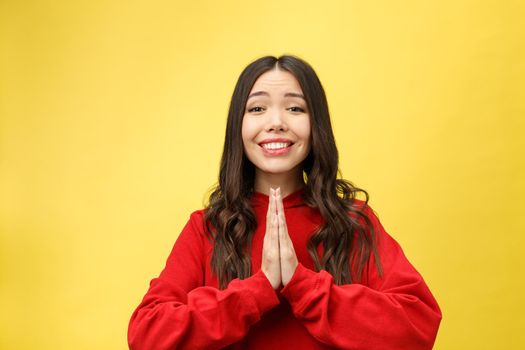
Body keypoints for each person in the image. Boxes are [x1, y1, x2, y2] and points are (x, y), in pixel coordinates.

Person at [127, 55, 442, 350]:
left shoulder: (353, 222)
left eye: (295, 109)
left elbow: (417, 325)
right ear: (238, 127)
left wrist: (301, 284)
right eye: (257, 109)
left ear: (316, 125)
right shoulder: (207, 227)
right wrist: (257, 290)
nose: (276, 122)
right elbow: (147, 335)